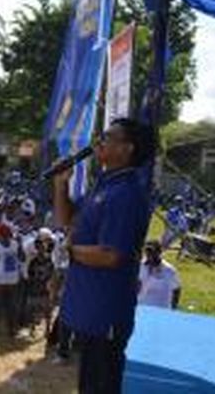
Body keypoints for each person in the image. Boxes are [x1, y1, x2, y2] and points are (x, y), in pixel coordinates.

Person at [53, 118, 155, 394]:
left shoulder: (126, 194)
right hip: (90, 309)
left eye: (107, 137)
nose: (98, 141)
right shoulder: (105, 184)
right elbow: (67, 221)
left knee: (100, 385)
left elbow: (110, 256)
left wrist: (70, 251)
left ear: (127, 149)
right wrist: (62, 184)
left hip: (105, 313)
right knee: (89, 384)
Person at [0, 223, 21, 335]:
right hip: (13, 278)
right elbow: (20, 257)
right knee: (11, 305)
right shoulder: (15, 244)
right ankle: (12, 328)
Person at [138, 240, 181, 309]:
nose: (149, 254)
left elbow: (176, 290)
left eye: (152, 252)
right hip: (142, 307)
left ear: (159, 252)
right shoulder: (140, 266)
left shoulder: (169, 270)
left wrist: (173, 308)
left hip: (161, 308)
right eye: (147, 251)